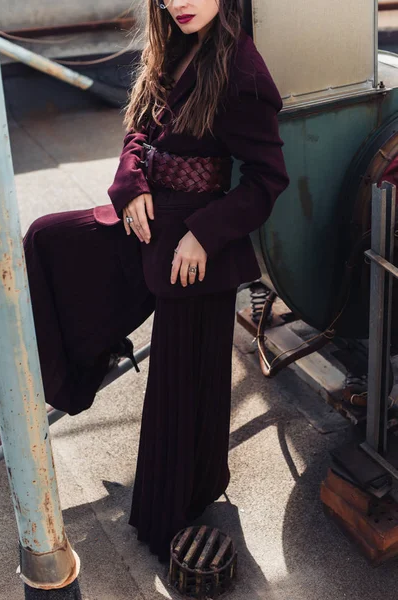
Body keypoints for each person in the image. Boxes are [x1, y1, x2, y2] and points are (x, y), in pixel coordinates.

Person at [24, 0, 290, 564]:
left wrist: (204, 234)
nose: (179, 2)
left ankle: (177, 504)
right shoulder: (171, 48)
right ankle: (71, 377)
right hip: (141, 223)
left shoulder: (242, 69)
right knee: (46, 241)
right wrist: (131, 187)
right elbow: (135, 135)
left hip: (190, 252)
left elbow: (267, 180)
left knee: (179, 390)